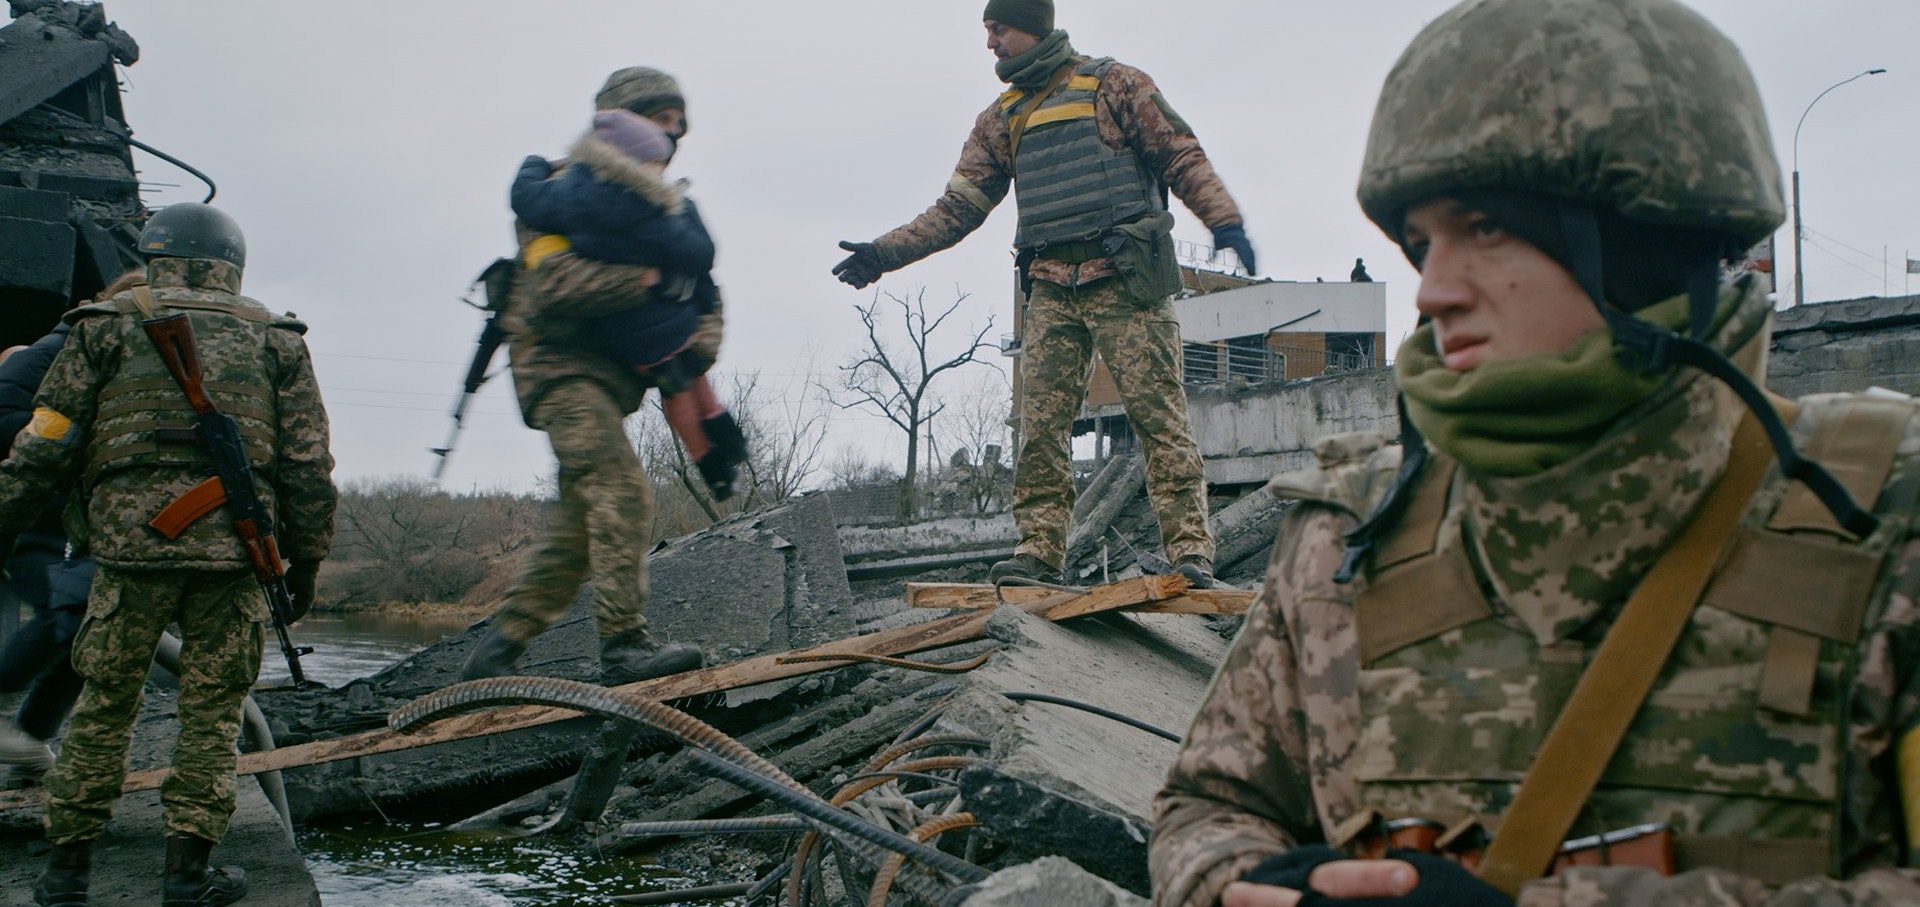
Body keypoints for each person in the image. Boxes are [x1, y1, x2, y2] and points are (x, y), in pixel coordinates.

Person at [1150, 1, 1920, 906]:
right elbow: (1207, 805)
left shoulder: (1882, 515)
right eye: (1422, 243)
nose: (1432, 290)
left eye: (1484, 229)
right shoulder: (1349, 532)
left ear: (1640, 240)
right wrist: (1238, 885)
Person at [832, 0, 1250, 588]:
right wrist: (883, 253)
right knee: (1040, 431)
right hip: (1051, 286)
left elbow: (1179, 153)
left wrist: (1222, 218)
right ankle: (1038, 553)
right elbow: (958, 208)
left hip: (1126, 280)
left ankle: (1190, 554)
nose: (990, 43)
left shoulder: (1114, 85)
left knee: (1160, 421)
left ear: (1032, 26)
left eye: (998, 28)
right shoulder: (1003, 116)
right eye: (987, 30)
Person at [0, 203, 336, 907]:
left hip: (125, 558)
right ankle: (186, 877)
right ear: (232, 266)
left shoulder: (99, 327)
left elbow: (43, 442)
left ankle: (64, 877)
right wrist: (303, 565)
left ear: (153, 257)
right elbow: (307, 467)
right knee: (212, 719)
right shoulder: (278, 341)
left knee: (102, 712)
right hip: (231, 563)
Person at [460, 66, 706, 685]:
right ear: (622, 118)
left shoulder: (665, 208)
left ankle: (495, 654)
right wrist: (652, 279)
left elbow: (704, 297)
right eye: (660, 120)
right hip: (561, 373)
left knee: (575, 536)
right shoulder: (560, 194)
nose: (672, 136)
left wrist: (694, 343)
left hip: (611, 383)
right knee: (623, 491)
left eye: (678, 126)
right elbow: (558, 284)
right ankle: (625, 646)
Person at [509, 108, 747, 501]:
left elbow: (525, 197)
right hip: (664, 322)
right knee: (689, 385)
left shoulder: (570, 197)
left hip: (628, 332)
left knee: (680, 388)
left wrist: (536, 164)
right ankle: (721, 450)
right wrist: (682, 215)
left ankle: (713, 463)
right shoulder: (649, 208)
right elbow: (699, 254)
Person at [0, 271, 137, 777]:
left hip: (73, 524)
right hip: (28, 517)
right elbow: (7, 416)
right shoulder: (54, 350)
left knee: (89, 628)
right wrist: (74, 438)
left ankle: (30, 741)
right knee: (72, 614)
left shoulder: (116, 358)